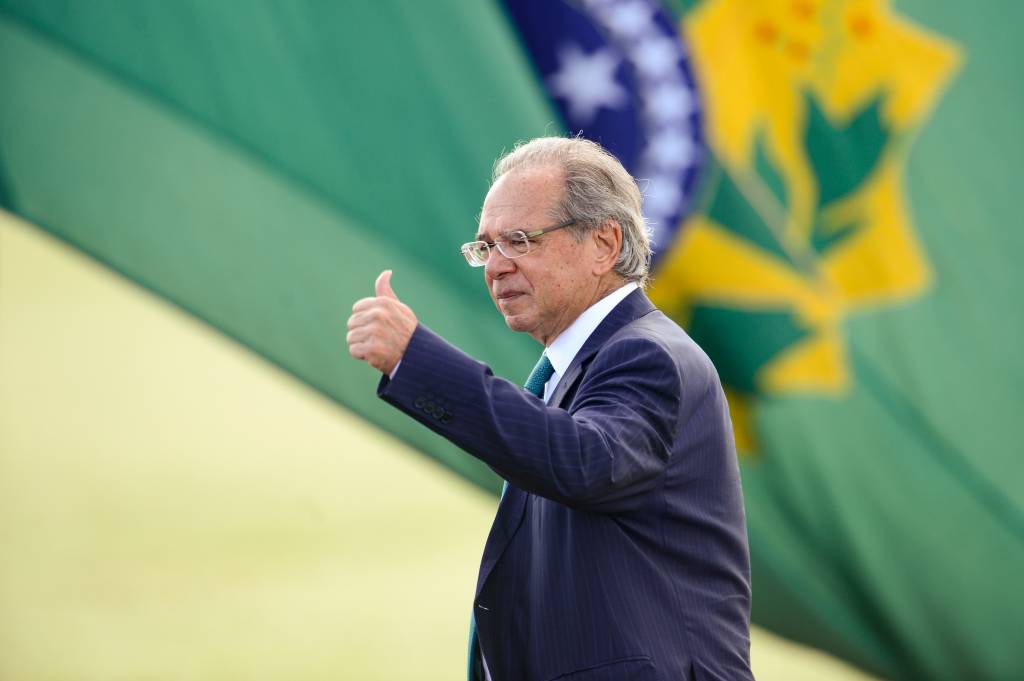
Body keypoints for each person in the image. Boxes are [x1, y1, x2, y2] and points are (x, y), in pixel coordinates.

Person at [347, 137, 754, 681]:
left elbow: (580, 459)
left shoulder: (646, 354)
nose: (496, 266)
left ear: (604, 244)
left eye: (520, 240)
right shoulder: (577, 366)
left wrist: (417, 360)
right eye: (485, 247)